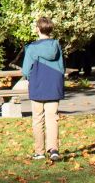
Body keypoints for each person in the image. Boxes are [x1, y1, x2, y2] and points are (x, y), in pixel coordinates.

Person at [21, 16, 65, 162]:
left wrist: (28, 78)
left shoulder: (32, 48)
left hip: (37, 85)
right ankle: (53, 150)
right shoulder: (56, 45)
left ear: (37, 29)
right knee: (52, 119)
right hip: (54, 85)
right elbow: (61, 67)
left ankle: (39, 152)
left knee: (37, 119)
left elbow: (26, 70)